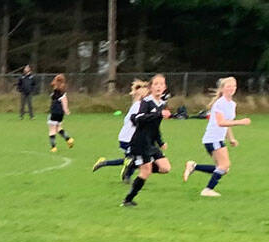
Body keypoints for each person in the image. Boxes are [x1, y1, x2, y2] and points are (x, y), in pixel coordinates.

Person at [183, 76, 251, 197]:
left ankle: (194, 166)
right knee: (224, 166)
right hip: (213, 138)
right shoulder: (220, 103)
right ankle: (207, 190)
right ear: (222, 89)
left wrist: (231, 138)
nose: (231, 88)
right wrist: (241, 122)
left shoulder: (232, 104)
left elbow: (227, 123)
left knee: (223, 168)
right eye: (228, 86)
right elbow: (221, 122)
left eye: (234, 86)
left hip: (217, 139)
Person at [121, 73, 171, 207]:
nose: (159, 86)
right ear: (151, 87)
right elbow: (138, 119)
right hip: (140, 142)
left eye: (161, 84)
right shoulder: (146, 102)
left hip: (151, 143)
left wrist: (160, 142)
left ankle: (134, 164)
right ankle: (128, 200)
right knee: (146, 171)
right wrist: (158, 114)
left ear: (165, 87)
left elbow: (155, 126)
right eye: (156, 84)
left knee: (165, 168)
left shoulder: (162, 104)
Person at [93, 80, 149, 182]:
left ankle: (123, 174)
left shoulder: (139, 104)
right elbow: (136, 121)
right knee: (134, 160)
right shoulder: (138, 106)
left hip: (130, 137)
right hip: (127, 138)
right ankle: (124, 174)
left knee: (135, 160)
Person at [47, 74, 74, 152]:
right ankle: (68, 140)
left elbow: (52, 85)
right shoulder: (63, 93)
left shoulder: (54, 92)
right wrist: (66, 110)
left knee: (52, 130)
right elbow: (64, 103)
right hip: (60, 113)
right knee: (59, 128)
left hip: (54, 112)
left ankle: (53, 147)